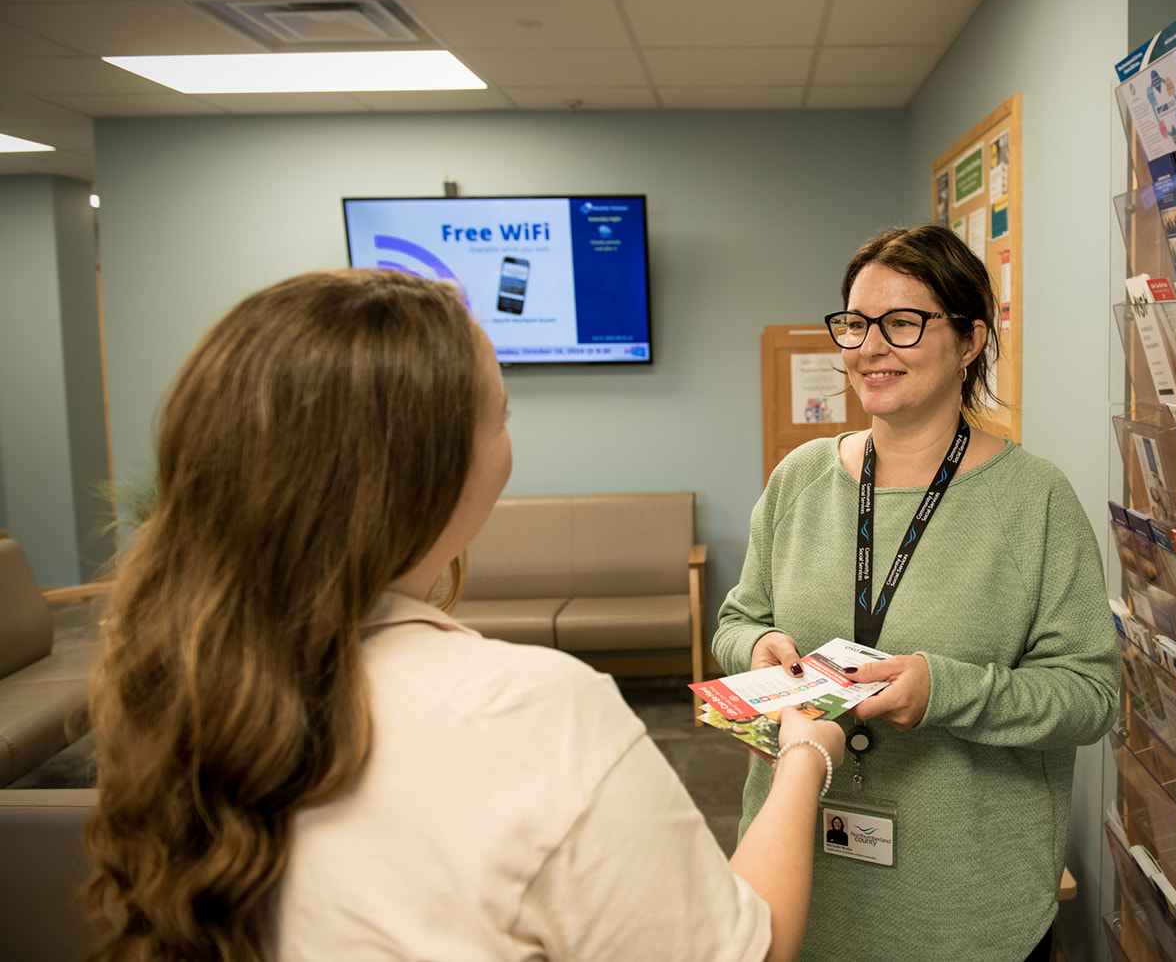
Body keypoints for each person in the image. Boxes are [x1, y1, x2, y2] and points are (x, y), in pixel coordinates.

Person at [83, 270, 844, 962]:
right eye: (500, 414)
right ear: (431, 466)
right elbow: (755, 948)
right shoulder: (537, 712)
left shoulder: (167, 682)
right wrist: (805, 753)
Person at [714, 226, 1120, 962]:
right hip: (802, 884)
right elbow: (738, 620)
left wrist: (946, 690)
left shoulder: (1037, 501)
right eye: (855, 323)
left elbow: (1090, 695)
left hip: (962, 909)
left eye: (903, 322)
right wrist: (760, 648)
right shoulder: (799, 479)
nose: (870, 346)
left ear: (969, 340)